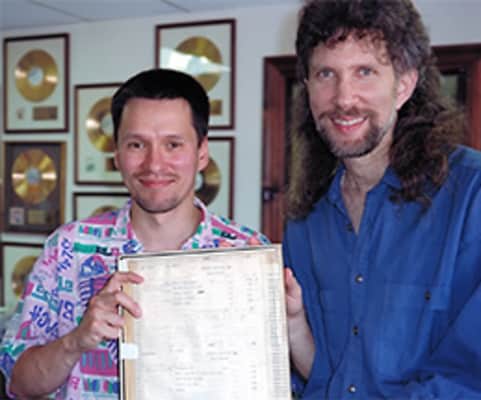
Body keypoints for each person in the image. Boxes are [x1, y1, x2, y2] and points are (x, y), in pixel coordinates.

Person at [0, 68, 269, 399]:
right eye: (137, 144)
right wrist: (76, 340)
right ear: (117, 154)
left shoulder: (244, 253)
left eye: (173, 144)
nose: (154, 164)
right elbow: (19, 384)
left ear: (202, 153)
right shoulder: (68, 248)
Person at [283, 0, 481, 398]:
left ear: (404, 85)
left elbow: (468, 379)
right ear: (308, 87)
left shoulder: (471, 196)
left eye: (365, 72)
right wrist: (292, 327)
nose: (344, 98)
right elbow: (327, 378)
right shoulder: (306, 222)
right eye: (326, 74)